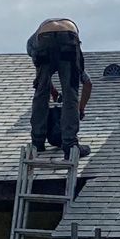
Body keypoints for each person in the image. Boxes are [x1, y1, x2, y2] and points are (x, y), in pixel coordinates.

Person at [26, 18, 92, 158]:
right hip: (67, 36)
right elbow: (88, 83)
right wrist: (80, 108)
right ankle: (70, 145)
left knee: (40, 94)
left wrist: (49, 88)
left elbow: (41, 80)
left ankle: (37, 143)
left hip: (44, 37)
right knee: (70, 94)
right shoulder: (72, 47)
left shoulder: (33, 45)